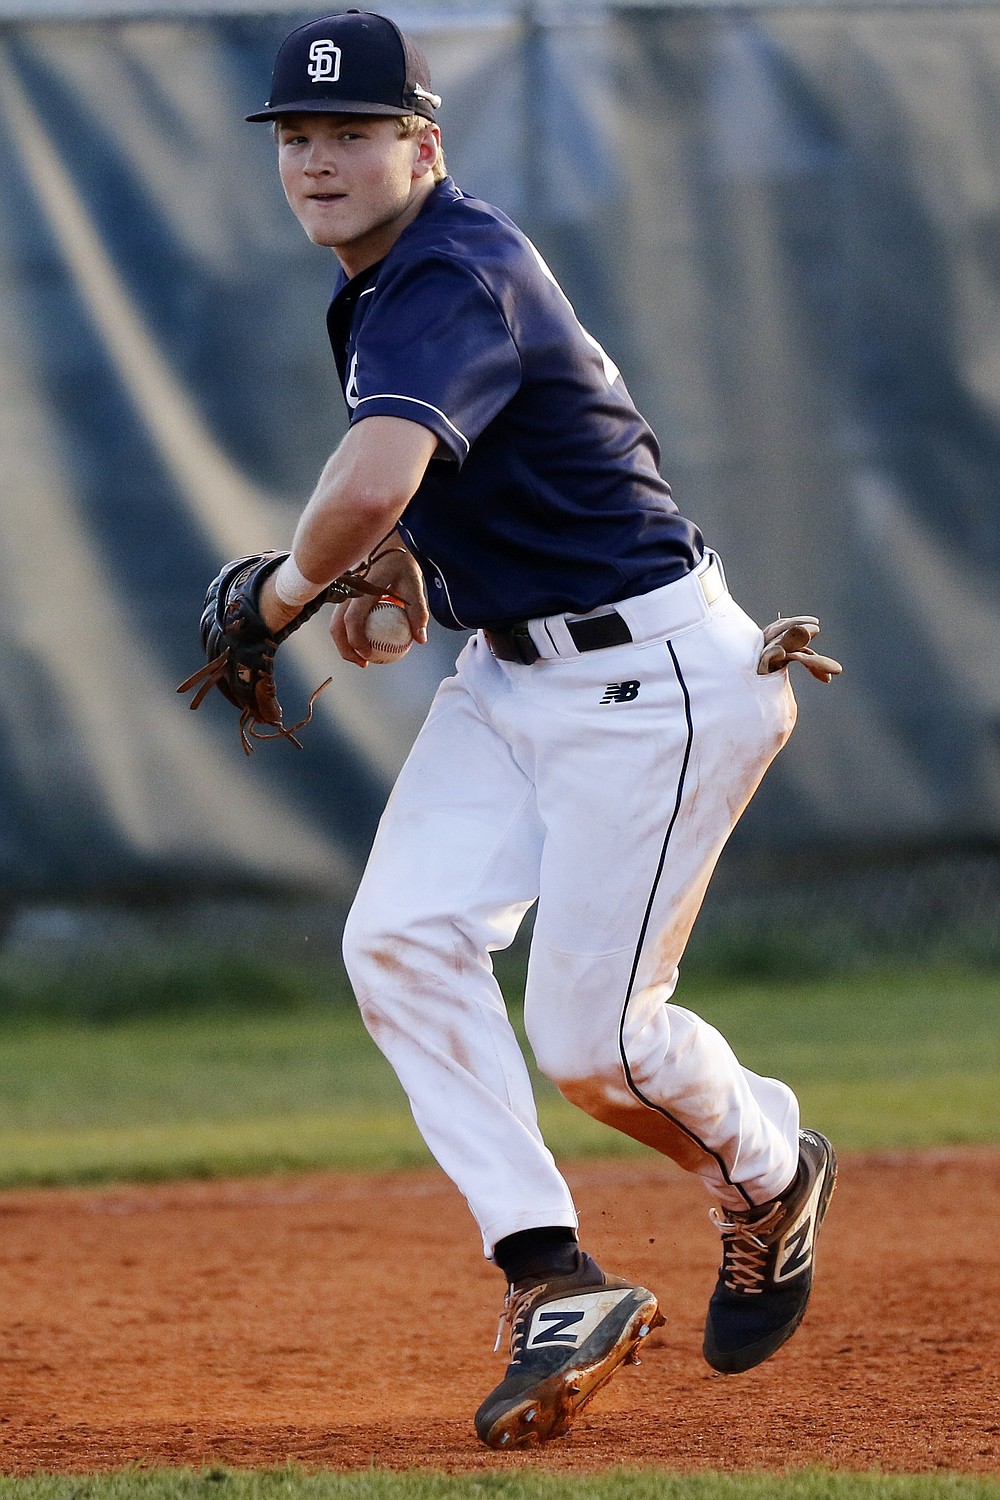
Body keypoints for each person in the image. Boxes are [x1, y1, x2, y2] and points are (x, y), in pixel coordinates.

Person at [245, 9, 838, 1450]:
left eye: (354, 132)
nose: (319, 160)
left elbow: (370, 482)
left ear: (422, 144)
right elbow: (480, 473)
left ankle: (770, 1174)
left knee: (597, 1048)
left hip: (656, 687)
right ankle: (552, 1278)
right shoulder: (390, 281)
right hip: (512, 677)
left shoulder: (449, 270)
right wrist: (423, 563)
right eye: (298, 136)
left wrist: (277, 597)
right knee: (398, 940)